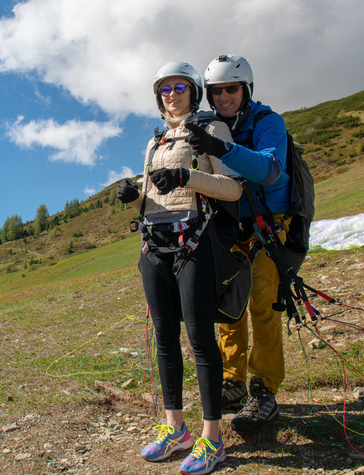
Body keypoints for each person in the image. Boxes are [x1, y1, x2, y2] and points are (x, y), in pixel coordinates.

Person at [117, 61, 242, 474]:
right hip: (153, 244)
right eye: (165, 88)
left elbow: (233, 187)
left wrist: (187, 176)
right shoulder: (153, 143)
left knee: (200, 338)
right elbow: (156, 199)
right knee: (164, 338)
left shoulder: (210, 131)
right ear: (159, 96)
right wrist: (134, 198)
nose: (172, 93)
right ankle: (176, 429)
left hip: (194, 241)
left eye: (180, 86)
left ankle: (212, 439)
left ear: (193, 91)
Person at [184, 54, 292, 433]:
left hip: (268, 227)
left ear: (246, 89)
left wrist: (222, 149)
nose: (225, 97)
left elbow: (270, 169)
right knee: (228, 307)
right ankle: (233, 381)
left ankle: (264, 389)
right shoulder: (207, 126)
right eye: (217, 91)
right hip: (227, 230)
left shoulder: (268, 122)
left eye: (232, 89)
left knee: (263, 302)